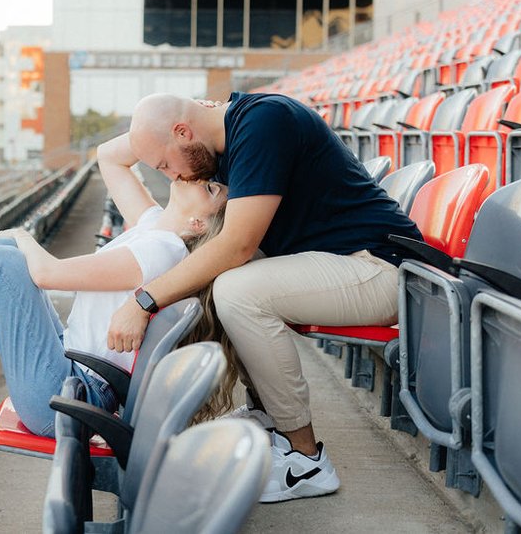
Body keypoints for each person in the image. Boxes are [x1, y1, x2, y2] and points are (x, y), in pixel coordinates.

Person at [109, 91, 424, 503]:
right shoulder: (217, 136)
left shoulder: (263, 122)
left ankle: (305, 460)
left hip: (380, 269)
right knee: (209, 270)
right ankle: (265, 416)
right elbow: (113, 150)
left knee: (236, 287)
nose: (174, 178)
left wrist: (142, 301)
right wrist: (153, 129)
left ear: (183, 132)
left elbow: (238, 245)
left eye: (166, 164)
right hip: (341, 263)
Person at [0, 134, 227, 438]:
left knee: (1, 259)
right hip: (73, 377)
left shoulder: (162, 251)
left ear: (198, 224)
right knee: (2, 250)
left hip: (68, 397)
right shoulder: (155, 227)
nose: (200, 176)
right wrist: (180, 133)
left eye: (210, 187)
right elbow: (110, 157)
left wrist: (23, 235)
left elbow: (48, 274)